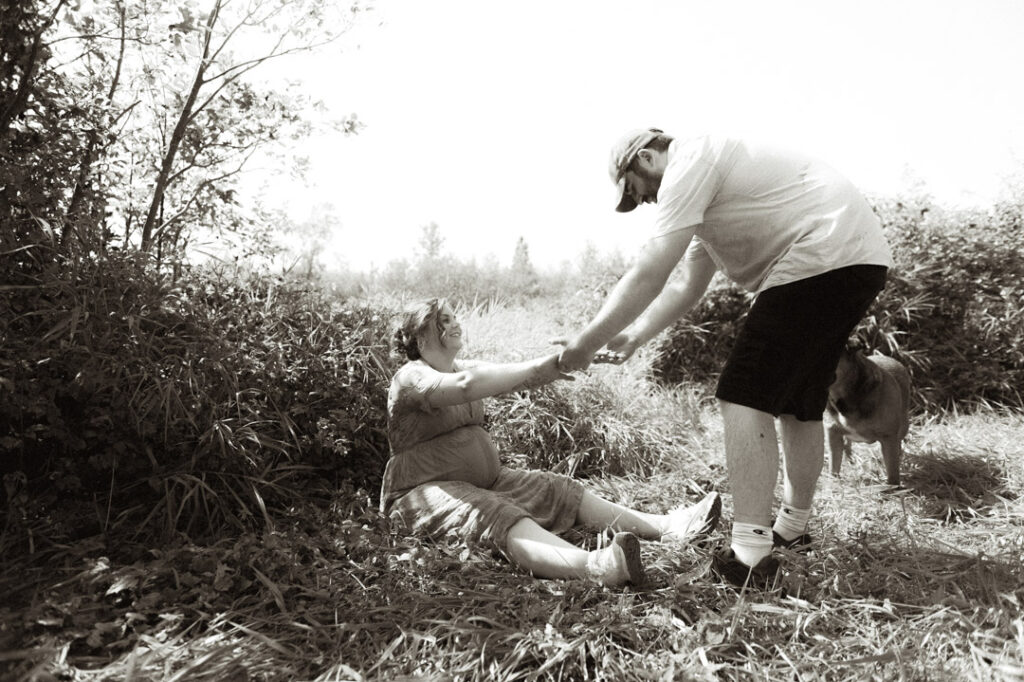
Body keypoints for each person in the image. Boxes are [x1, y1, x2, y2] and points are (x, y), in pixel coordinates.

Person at [558, 128, 893, 588]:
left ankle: (751, 557)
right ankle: (791, 530)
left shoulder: (690, 163)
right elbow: (684, 286)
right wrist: (635, 336)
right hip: (855, 258)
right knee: (800, 401)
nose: (650, 202)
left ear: (647, 157)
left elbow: (652, 268)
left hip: (820, 254)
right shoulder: (710, 194)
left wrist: (585, 342)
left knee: (742, 395)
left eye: (640, 192)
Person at [380, 298, 722, 587]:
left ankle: (668, 527)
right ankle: (601, 567)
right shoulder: (412, 375)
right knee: (495, 512)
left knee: (557, 488)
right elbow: (469, 385)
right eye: (441, 320)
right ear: (419, 336)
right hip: (422, 493)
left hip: (487, 481)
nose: (453, 323)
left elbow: (519, 374)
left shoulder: (460, 366)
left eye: (453, 317)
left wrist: (573, 357)